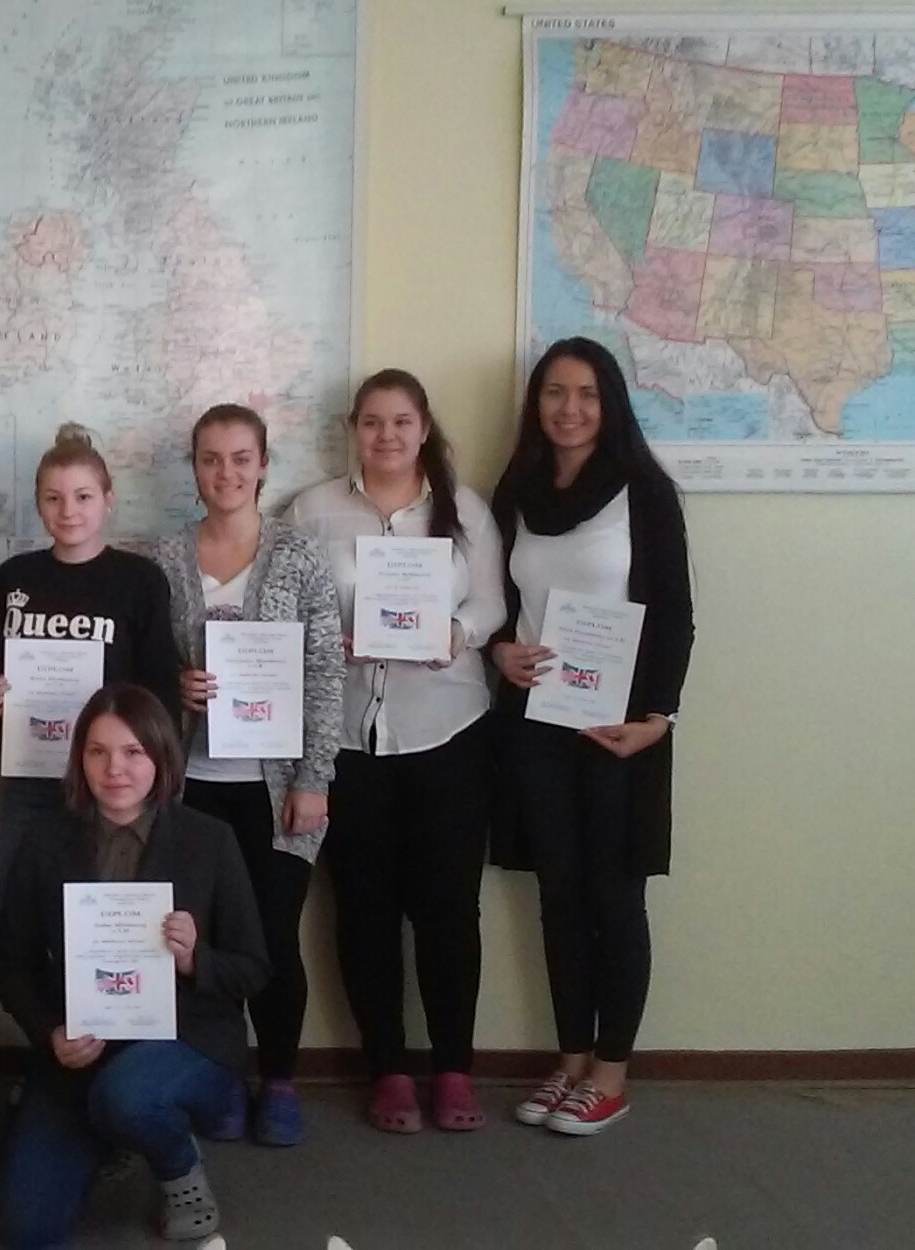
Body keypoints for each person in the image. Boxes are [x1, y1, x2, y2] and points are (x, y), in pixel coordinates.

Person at [289, 373, 506, 1134]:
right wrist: (327, 641)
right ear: (354, 427)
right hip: (349, 739)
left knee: (449, 909)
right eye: (373, 422)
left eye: (401, 421)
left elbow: (491, 601)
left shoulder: (465, 510)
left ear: (424, 427)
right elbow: (288, 607)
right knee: (363, 909)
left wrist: (459, 632)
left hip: (448, 732)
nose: (387, 436)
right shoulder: (312, 511)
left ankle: (453, 1071)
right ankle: (387, 1069)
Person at [489, 338, 693, 1136]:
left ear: (609, 405)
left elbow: (675, 614)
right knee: (558, 896)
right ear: (535, 403)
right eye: (554, 392)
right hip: (535, 724)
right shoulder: (516, 490)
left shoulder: (645, 491)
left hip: (619, 728)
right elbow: (495, 599)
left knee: (614, 896)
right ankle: (571, 1061)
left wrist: (660, 720)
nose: (568, 409)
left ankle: (611, 1071)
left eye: (586, 394)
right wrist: (498, 649)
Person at [0, 684, 269, 1247]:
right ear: (80, 759)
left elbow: (253, 968)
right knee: (26, 1227)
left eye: (133, 752)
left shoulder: (208, 840)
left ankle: (179, 1167)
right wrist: (49, 1032)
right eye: (98, 752)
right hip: (80, 1048)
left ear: (161, 757)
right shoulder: (46, 840)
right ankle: (110, 1130)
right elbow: (12, 962)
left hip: (187, 1039)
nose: (114, 768)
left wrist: (193, 960)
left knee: (129, 1096)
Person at [155, 403, 343, 1146]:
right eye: (210, 458)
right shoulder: (165, 559)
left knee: (271, 938)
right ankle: (222, 1077)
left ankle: (281, 1082)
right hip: (190, 785)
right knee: (200, 940)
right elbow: (143, 665)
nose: (225, 472)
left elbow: (325, 673)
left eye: (240, 458)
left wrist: (314, 779)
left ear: (264, 464)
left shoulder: (299, 556)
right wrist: (174, 685)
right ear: (194, 467)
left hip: (278, 789)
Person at [0, 424, 184, 879]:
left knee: (104, 899)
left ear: (108, 500)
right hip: (29, 774)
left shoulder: (140, 580)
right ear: (38, 504)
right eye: (53, 498)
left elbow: (160, 691)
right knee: (19, 892)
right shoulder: (13, 577)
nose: (68, 510)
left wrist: (158, 778)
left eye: (83, 496)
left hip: (112, 778)